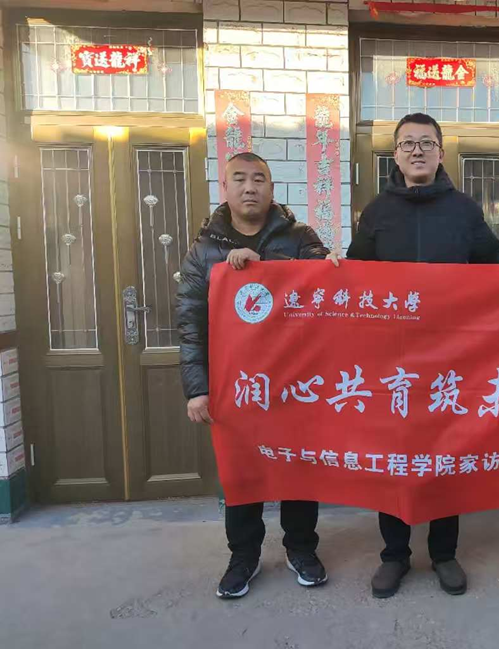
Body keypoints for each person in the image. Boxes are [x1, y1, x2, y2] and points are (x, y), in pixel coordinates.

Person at [327, 112, 499, 599]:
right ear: (395, 154)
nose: (416, 150)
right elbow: (355, 276)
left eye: (426, 142)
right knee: (393, 459)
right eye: (407, 143)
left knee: (444, 457)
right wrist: (332, 269)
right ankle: (394, 555)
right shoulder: (377, 212)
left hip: (450, 361)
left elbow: (495, 266)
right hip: (391, 365)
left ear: (441, 153)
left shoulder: (464, 211)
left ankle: (444, 554)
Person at [177, 152, 330, 599]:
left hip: (295, 382)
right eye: (240, 179)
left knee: (298, 469)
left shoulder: (300, 237)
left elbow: (324, 287)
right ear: (224, 189)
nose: (250, 187)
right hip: (236, 386)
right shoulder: (204, 251)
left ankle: (301, 549)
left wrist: (262, 267)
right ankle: (243, 556)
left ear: (272, 189)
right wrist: (197, 389)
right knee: (241, 473)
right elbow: (191, 322)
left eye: (259, 179)